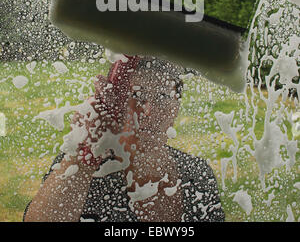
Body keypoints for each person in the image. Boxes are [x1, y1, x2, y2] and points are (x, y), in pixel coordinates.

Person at [24, 56, 225, 222]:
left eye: (163, 97)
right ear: (117, 105)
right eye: (137, 96)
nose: (148, 111)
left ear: (176, 107)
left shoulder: (195, 174)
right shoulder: (84, 169)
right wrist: (83, 154)